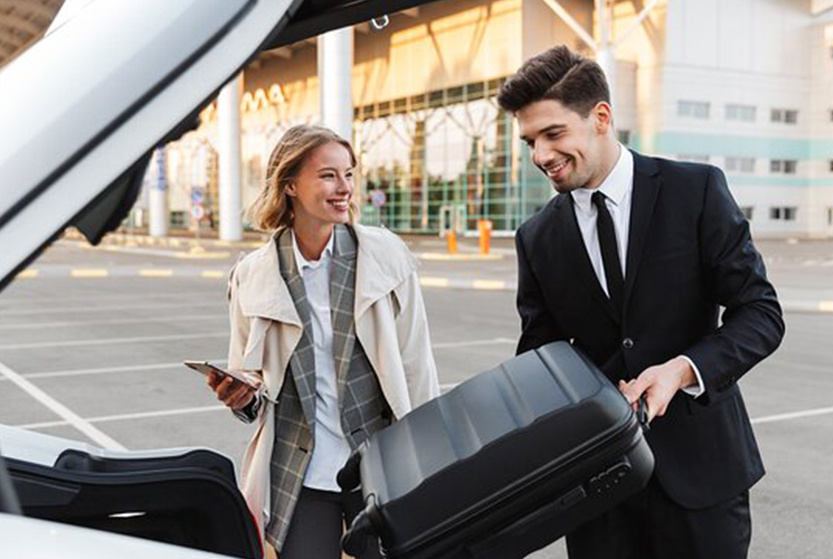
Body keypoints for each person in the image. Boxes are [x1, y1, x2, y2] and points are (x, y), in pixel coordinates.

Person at [497, 46, 785, 559]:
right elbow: (541, 359)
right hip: (598, 494)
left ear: (601, 117)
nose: (540, 155)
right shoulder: (536, 237)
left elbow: (761, 313)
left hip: (702, 481)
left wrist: (683, 370)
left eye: (553, 134)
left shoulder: (693, 191)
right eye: (530, 142)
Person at [208, 124, 439, 559]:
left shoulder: (385, 257)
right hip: (303, 471)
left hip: (381, 462)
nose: (344, 188)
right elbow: (250, 381)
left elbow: (416, 365)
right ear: (291, 185)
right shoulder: (252, 276)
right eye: (328, 175)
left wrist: (428, 456)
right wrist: (239, 396)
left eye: (349, 174)